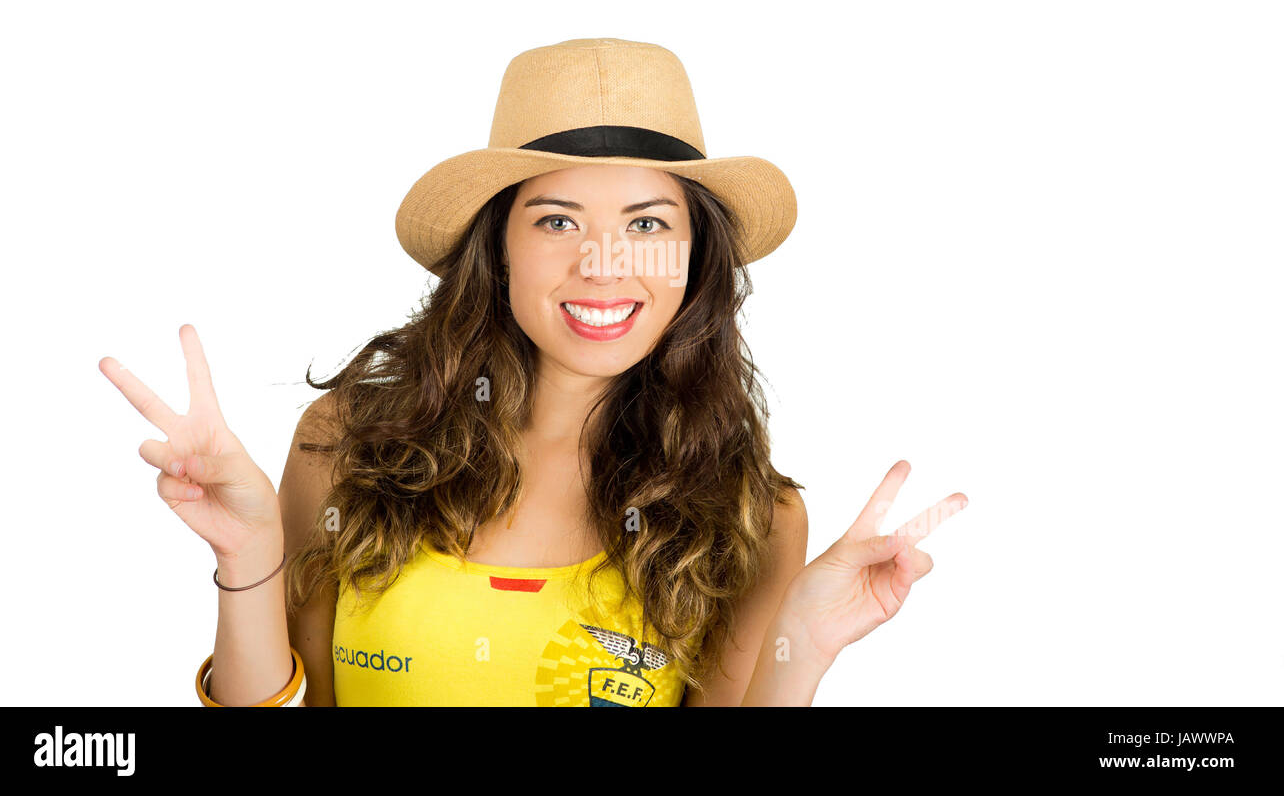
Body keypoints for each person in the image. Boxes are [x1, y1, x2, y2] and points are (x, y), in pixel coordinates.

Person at [99, 37, 968, 706]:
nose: (602, 263)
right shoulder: (347, 444)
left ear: (694, 257)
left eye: (647, 224)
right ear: (499, 245)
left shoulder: (753, 516)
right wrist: (251, 552)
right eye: (556, 221)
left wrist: (803, 647)